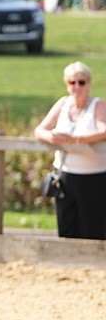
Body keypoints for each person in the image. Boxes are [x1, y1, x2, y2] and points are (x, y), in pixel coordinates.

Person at [34, 62, 106, 239]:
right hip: (65, 174)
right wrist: (52, 137)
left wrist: (78, 139)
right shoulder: (63, 104)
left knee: (93, 225)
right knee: (66, 223)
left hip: (93, 175)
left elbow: (104, 130)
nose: (77, 87)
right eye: (72, 82)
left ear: (88, 84)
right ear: (67, 84)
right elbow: (39, 130)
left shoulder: (98, 105)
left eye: (81, 82)